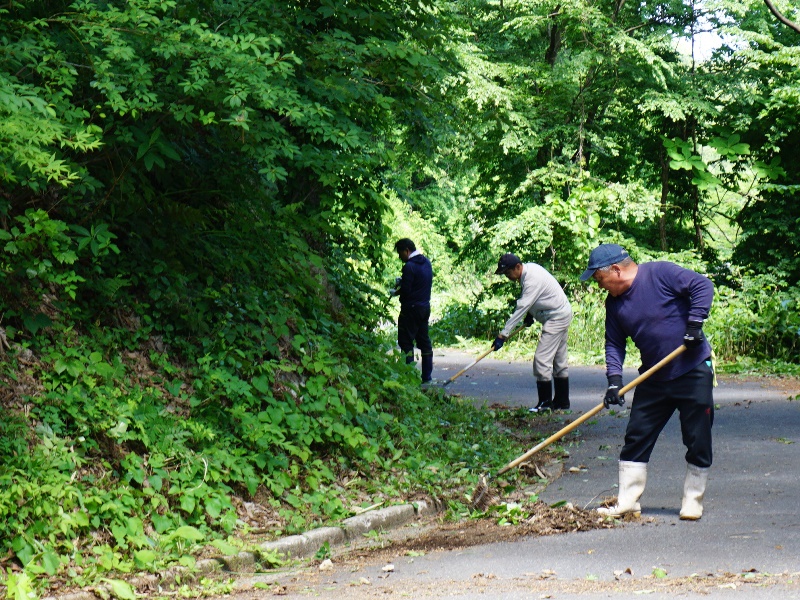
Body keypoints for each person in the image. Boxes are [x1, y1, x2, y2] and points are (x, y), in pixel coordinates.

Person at [580, 243, 715, 520]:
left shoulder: (660, 273)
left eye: (598, 278)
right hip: (653, 376)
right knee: (637, 435)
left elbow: (702, 286)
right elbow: (614, 343)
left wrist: (694, 324)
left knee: (697, 437)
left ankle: (693, 500)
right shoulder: (614, 304)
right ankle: (627, 501)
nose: (598, 284)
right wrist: (614, 382)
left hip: (692, 369)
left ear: (616, 270)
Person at [492, 253, 573, 412]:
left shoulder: (531, 279)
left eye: (508, 273)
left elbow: (522, 307)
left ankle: (545, 403)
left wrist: (503, 335)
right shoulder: (529, 273)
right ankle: (562, 401)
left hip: (556, 317)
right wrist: (531, 315)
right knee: (559, 359)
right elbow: (534, 300)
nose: (507, 277)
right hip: (559, 313)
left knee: (541, 359)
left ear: (517, 267)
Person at [393, 239, 434, 384]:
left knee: (406, 342)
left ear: (406, 251)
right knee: (424, 342)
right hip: (424, 308)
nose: (400, 257)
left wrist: (396, 291)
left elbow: (406, 291)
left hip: (410, 310)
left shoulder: (409, 266)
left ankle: (408, 377)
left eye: (400, 253)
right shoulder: (427, 263)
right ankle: (427, 378)